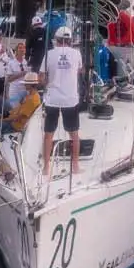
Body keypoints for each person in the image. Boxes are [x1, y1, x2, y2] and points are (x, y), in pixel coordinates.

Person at [40, 23, 87, 187]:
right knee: (74, 134)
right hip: (70, 99)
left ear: (57, 40)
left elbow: (41, 78)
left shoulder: (49, 54)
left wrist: (49, 81)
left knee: (48, 134)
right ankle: (75, 166)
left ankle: (46, 167)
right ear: (70, 40)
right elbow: (81, 71)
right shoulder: (77, 53)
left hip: (52, 98)